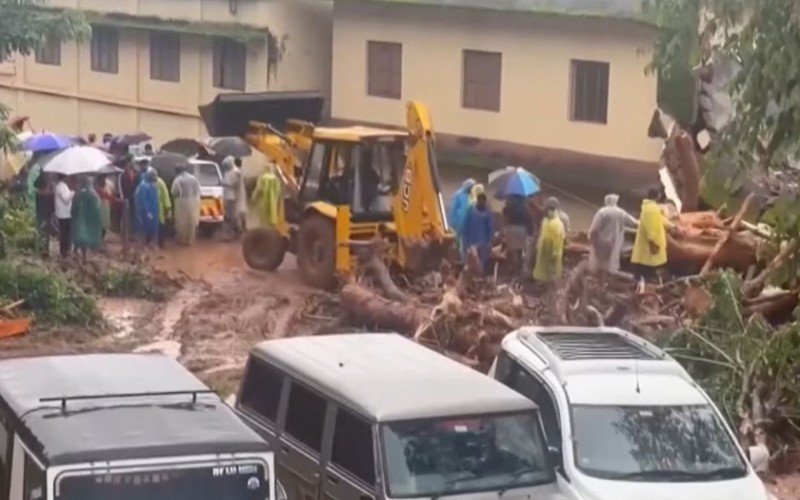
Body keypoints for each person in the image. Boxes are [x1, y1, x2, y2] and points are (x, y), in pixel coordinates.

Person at [588, 194, 639, 274]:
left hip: (601, 241)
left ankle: (601, 277)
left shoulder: (602, 211)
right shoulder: (621, 212)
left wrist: (590, 238)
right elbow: (634, 222)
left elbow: (594, 228)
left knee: (600, 262)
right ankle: (610, 276)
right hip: (615, 241)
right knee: (612, 260)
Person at [631, 189, 672, 282]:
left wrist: (671, 226)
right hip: (651, 241)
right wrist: (652, 240)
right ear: (657, 196)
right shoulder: (652, 209)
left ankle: (640, 280)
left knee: (645, 262)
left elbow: (660, 218)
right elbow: (651, 226)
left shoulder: (650, 208)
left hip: (648, 241)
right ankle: (644, 281)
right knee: (649, 262)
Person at [533, 197, 566, 282]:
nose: (545, 212)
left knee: (551, 277)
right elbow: (541, 233)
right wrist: (538, 244)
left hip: (552, 254)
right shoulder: (546, 220)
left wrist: (554, 255)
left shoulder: (558, 224)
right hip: (543, 251)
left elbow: (558, 244)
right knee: (541, 274)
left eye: (547, 210)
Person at [70, 176, 103, 263]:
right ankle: (84, 256)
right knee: (86, 238)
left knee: (80, 237)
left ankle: (78, 252)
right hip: (88, 221)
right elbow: (98, 209)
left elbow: (73, 208)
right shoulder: (94, 195)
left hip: (80, 220)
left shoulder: (77, 194)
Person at [461, 192, 494, 273]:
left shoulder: (487, 213)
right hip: (471, 240)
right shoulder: (471, 211)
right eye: (479, 200)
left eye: (482, 201)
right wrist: (465, 239)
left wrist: (489, 240)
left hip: (483, 242)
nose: (481, 203)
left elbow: (489, 227)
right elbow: (465, 225)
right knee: (470, 259)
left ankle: (479, 274)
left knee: (481, 261)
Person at [502, 194, 533, 278]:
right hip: (522, 231)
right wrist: (530, 232)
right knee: (520, 250)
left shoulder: (509, 205)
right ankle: (520, 268)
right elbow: (529, 220)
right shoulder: (526, 208)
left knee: (512, 250)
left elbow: (504, 215)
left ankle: (513, 269)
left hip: (511, 229)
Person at [171, 166, 202, 245]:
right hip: (194, 201)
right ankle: (190, 240)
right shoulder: (194, 178)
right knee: (192, 220)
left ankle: (182, 240)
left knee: (181, 221)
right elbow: (198, 190)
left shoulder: (178, 179)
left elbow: (174, 191)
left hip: (182, 202)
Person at [447, 179, 476, 254]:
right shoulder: (458, 195)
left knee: (466, 245)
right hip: (457, 223)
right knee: (457, 243)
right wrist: (452, 222)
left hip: (467, 225)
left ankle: (464, 259)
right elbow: (453, 210)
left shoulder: (472, 196)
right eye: (471, 187)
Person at [148, 167, 172, 248]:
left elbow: (165, 195)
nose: (153, 179)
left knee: (161, 226)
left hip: (159, 208)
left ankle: (161, 243)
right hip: (150, 208)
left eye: (154, 177)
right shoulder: (147, 183)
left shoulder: (160, 182)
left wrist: (167, 208)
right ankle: (149, 242)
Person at [135, 171, 160, 247]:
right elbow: (143, 200)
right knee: (144, 228)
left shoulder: (152, 185)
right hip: (146, 211)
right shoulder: (143, 186)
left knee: (152, 227)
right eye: (153, 176)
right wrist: (147, 212)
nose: (154, 178)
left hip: (153, 210)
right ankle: (143, 245)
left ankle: (150, 244)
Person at [222, 156, 244, 238]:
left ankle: (237, 231)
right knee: (229, 215)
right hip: (227, 195)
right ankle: (233, 231)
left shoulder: (236, 172)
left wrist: (225, 183)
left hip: (232, 196)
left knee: (233, 215)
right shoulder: (228, 171)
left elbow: (234, 183)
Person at [34, 173, 54, 257]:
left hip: (42, 213)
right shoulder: (49, 194)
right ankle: (44, 250)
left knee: (43, 232)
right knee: (44, 232)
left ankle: (43, 250)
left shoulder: (38, 194)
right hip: (45, 214)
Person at [54, 174, 74, 258]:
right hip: (65, 214)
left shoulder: (59, 186)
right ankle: (65, 251)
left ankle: (64, 251)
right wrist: (73, 193)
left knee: (64, 233)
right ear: (65, 177)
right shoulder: (62, 187)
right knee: (66, 234)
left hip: (63, 213)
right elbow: (66, 199)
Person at [95, 175, 119, 240]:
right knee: (100, 226)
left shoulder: (107, 185)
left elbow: (111, 195)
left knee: (105, 226)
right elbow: (109, 196)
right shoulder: (97, 189)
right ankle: (99, 240)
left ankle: (101, 240)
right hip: (100, 208)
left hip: (106, 207)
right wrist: (116, 200)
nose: (102, 181)